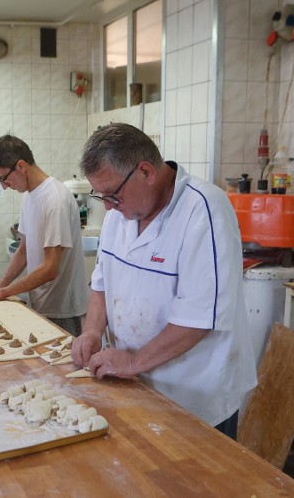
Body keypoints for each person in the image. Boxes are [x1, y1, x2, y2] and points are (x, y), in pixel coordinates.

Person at [70, 123, 257, 439]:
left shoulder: (204, 209)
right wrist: (91, 330)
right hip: (134, 383)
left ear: (146, 172)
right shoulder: (119, 214)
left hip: (193, 397)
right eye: (101, 196)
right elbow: (102, 284)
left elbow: (199, 319)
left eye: (113, 195)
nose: (107, 207)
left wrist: (132, 361)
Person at [0, 135, 88, 336]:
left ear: (21, 166)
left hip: (62, 310)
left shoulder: (55, 200)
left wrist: (5, 293)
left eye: (3, 179)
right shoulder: (29, 196)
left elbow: (50, 269)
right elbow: (24, 250)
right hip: (41, 303)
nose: (4, 186)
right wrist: (1, 284)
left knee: (63, 366)